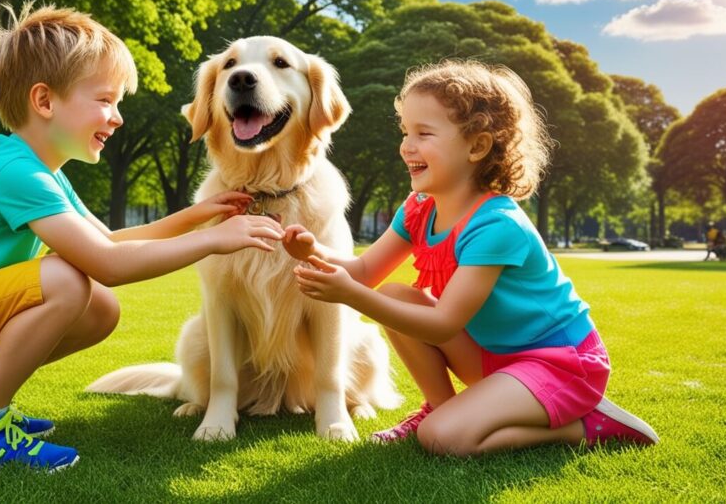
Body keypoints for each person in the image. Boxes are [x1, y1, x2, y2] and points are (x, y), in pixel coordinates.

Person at [0, 3, 284, 472]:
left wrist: (197, 216)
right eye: (106, 100)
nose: (117, 117)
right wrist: (213, 241)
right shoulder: (18, 175)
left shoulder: (43, 173)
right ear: (44, 102)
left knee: (99, 306)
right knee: (68, 278)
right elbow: (106, 263)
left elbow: (110, 241)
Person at [282, 60, 658, 456]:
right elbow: (363, 272)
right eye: (405, 132)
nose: (407, 146)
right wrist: (314, 251)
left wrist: (351, 296)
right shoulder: (418, 209)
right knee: (395, 294)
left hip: (561, 366)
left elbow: (443, 324)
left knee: (443, 439)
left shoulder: (497, 224)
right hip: (494, 357)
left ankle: (588, 425)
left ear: (477, 146)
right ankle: (440, 407)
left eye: (424, 133)